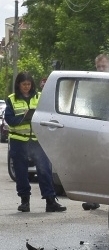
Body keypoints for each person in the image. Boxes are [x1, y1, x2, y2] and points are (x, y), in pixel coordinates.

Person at [6, 71, 66, 213]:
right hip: (18, 141)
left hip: (37, 140)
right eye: (24, 84)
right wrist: (24, 118)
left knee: (44, 169)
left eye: (29, 84)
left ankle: (50, 201)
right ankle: (24, 201)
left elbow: (48, 115)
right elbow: (10, 120)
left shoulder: (40, 97)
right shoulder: (12, 99)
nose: (26, 87)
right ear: (18, 85)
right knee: (21, 173)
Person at [79, 54, 109, 211]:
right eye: (98, 67)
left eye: (104, 66)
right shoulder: (92, 83)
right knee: (92, 165)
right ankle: (91, 198)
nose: (101, 69)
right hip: (94, 127)